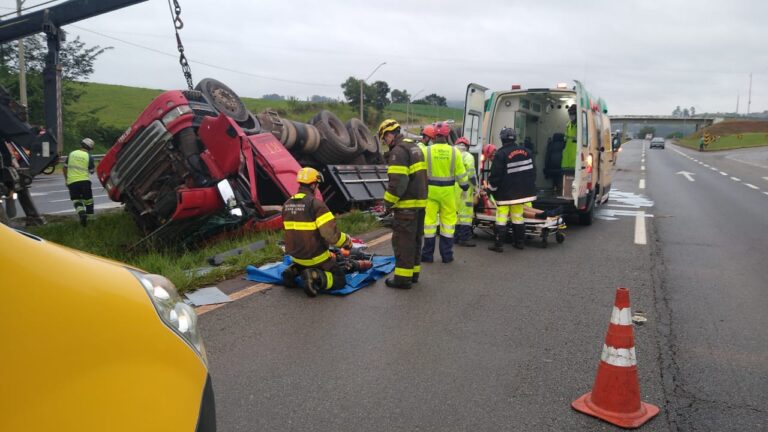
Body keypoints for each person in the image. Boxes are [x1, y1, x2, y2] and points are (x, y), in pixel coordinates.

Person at [281, 167, 353, 297]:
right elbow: (331, 236)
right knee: (340, 279)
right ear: (314, 185)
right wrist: (347, 241)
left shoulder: (287, 204)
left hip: (296, 256)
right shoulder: (316, 205)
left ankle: (293, 271)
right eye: (317, 185)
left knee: (303, 263)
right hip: (315, 257)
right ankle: (315, 276)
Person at [378, 119, 428, 289]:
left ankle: (402, 278)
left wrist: (387, 204)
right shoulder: (414, 147)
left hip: (406, 206)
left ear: (389, 134)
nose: (385, 143)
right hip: (420, 204)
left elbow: (398, 183)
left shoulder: (398, 152)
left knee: (403, 242)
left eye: (384, 139)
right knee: (414, 240)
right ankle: (413, 274)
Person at [422, 122, 468, 263]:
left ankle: (427, 255)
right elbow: (461, 174)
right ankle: (447, 256)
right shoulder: (455, 152)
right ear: (448, 135)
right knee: (448, 224)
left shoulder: (426, 151)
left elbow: (420, 171)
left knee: (429, 223)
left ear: (434, 135)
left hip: (430, 191)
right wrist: (465, 186)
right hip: (448, 192)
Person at [487, 127, 536, 252]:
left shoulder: (501, 154)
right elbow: (533, 172)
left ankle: (499, 245)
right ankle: (519, 243)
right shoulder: (527, 152)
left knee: (501, 218)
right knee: (517, 217)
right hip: (522, 194)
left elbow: (495, 176)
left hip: (505, 195)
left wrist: (490, 190)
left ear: (502, 139)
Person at [63, 138, 96, 226]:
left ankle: (82, 214)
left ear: (81, 144)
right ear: (90, 148)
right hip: (85, 181)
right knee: (89, 202)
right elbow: (92, 171)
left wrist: (67, 179)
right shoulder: (89, 157)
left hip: (72, 182)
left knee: (76, 200)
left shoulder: (71, 154)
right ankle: (91, 222)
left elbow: (65, 168)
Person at [454, 136, 478, 247]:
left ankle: (455, 237)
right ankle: (465, 238)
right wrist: (476, 186)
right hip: (464, 189)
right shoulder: (468, 156)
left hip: (452, 188)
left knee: (456, 213)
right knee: (465, 214)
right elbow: (471, 174)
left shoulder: (452, 155)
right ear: (467, 146)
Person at [561, 104, 578, 170]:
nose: (571, 116)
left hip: (575, 157)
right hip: (567, 156)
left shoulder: (580, 126)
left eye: (572, 114)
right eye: (570, 114)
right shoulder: (568, 125)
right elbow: (566, 138)